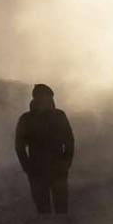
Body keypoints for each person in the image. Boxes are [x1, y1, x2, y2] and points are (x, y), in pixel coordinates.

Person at [14, 83, 75, 216]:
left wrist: (65, 164)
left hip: (55, 169)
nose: (47, 100)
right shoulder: (27, 119)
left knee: (60, 210)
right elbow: (19, 146)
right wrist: (28, 168)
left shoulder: (57, 116)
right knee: (45, 210)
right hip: (38, 170)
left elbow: (69, 141)